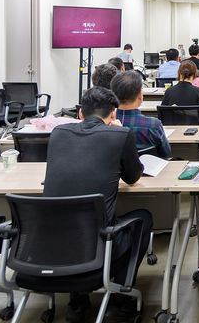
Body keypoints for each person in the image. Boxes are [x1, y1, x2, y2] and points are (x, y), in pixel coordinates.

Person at [43, 87, 152, 322]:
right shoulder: (120, 135)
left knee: (74, 217)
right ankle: (121, 296)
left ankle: (78, 300)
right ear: (114, 114)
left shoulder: (58, 133)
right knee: (143, 218)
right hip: (99, 246)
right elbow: (133, 177)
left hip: (48, 245)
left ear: (80, 113)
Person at [112, 70, 171, 157]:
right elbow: (166, 152)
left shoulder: (106, 125)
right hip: (149, 169)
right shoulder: (153, 125)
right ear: (140, 95)